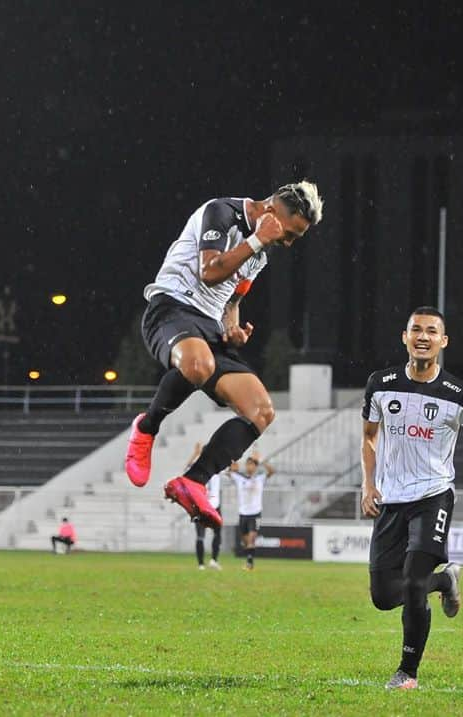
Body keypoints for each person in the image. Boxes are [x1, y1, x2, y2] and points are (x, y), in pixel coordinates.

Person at [123, 182, 324, 527]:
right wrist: (257, 240)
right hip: (171, 309)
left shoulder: (260, 251)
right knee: (199, 365)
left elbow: (232, 299)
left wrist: (233, 329)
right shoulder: (222, 212)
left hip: (209, 332)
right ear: (273, 212)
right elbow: (210, 271)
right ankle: (147, 426)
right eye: (290, 233)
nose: (289, 243)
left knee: (261, 411)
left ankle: (192, 482)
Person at [361, 307, 463, 691]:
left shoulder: (459, 394)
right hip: (390, 499)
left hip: (433, 497)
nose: (423, 336)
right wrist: (367, 483)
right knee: (383, 597)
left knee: (411, 583)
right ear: (404, 337)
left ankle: (407, 672)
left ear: (443, 341)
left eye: (432, 331)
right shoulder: (380, 383)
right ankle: (446, 580)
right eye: (416, 330)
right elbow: (369, 437)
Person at [232, 451, 274, 570]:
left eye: (252, 464)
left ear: (255, 466)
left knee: (251, 538)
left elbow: (271, 471)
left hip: (255, 514)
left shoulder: (260, 478)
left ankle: (249, 564)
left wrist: (262, 460)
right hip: (243, 513)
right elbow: (229, 472)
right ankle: (249, 560)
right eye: (247, 464)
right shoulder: (240, 478)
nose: (249, 466)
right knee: (246, 541)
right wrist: (232, 466)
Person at [186, 442, 224, 570]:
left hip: (208, 505)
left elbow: (187, 468)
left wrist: (195, 454)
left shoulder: (201, 467)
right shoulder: (216, 467)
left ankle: (207, 562)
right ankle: (206, 562)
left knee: (210, 534)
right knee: (206, 535)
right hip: (207, 505)